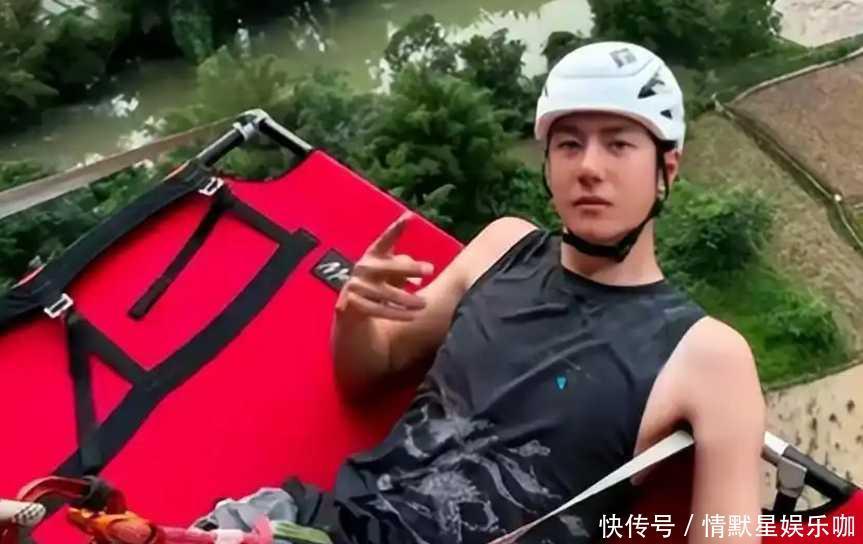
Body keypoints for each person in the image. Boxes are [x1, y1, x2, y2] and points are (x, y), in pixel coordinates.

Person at [322, 41, 766, 544]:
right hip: (334, 525)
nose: (589, 167)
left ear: (667, 168)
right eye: (569, 145)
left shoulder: (709, 357)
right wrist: (354, 318)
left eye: (618, 145)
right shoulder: (501, 247)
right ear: (548, 164)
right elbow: (370, 371)